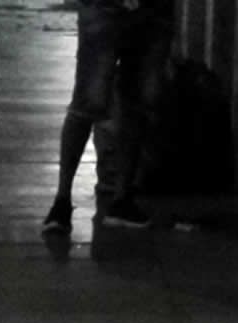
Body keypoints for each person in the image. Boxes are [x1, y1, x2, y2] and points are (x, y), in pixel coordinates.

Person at [42, 0, 172, 237]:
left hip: (148, 11)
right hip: (110, 8)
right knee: (91, 100)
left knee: (135, 101)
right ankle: (63, 200)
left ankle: (119, 198)